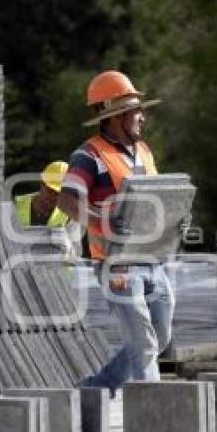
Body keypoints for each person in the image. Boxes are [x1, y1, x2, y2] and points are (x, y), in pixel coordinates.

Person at [58, 70, 174, 392]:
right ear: (116, 115)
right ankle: (155, 408)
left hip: (153, 259)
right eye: (137, 111)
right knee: (143, 341)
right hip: (117, 266)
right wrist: (103, 223)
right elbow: (67, 200)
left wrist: (175, 219)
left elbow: (156, 201)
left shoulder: (145, 152)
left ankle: (98, 387)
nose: (143, 118)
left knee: (159, 337)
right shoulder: (89, 155)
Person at [14, 161, 70, 227]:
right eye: (50, 190)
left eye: (58, 194)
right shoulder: (14, 205)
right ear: (41, 183)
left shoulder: (67, 215)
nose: (52, 197)